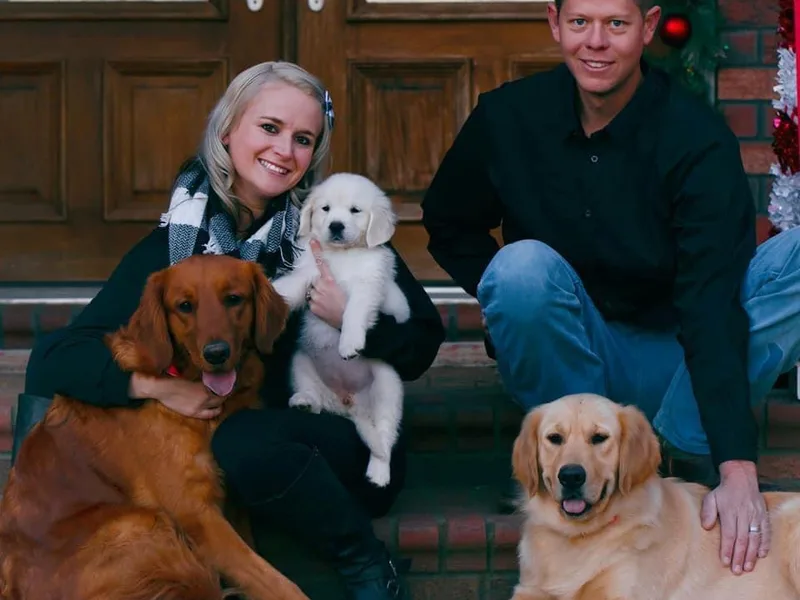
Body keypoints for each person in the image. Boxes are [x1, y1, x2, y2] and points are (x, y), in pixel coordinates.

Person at [17, 61, 445, 600]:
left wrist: (349, 319)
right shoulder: (176, 245)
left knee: (241, 438)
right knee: (232, 442)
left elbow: (424, 341)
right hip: (244, 461)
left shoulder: (331, 224)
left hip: (346, 443)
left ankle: (365, 562)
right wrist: (156, 386)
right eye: (269, 128)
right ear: (228, 131)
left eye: (303, 139)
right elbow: (55, 357)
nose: (285, 151)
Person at [421, 0, 800, 581]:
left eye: (616, 24)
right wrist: (512, 303)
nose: (595, 42)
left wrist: (737, 466)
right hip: (572, 368)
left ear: (648, 27)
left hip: (675, 367)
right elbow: (448, 221)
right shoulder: (508, 117)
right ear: (554, 23)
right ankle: (580, 460)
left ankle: (676, 439)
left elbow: (709, 303)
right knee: (520, 270)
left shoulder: (694, 136)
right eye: (580, 23)